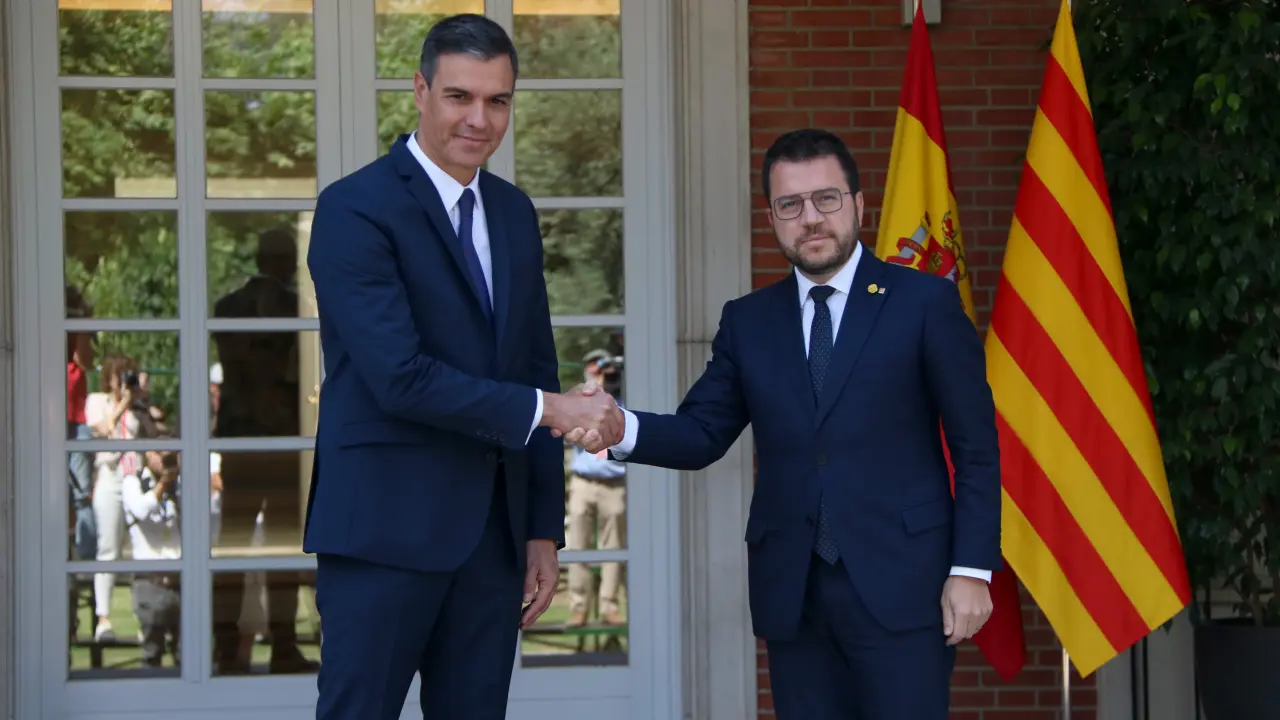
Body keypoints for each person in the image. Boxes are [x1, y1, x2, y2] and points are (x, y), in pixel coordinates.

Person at [570, 128, 1001, 718]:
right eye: (790, 204)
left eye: (826, 198)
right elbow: (700, 433)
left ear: (858, 204)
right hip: (794, 594)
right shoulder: (749, 321)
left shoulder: (923, 303)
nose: (811, 218)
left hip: (905, 586)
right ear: (772, 217)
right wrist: (620, 429)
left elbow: (976, 449)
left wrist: (972, 569)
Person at [303, 13, 622, 720]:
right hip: (381, 533)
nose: (480, 119)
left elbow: (535, 363)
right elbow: (400, 377)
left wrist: (541, 528)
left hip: (491, 541)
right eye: (459, 96)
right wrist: (551, 410)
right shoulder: (354, 208)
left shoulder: (513, 213)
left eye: (497, 100)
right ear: (421, 91)